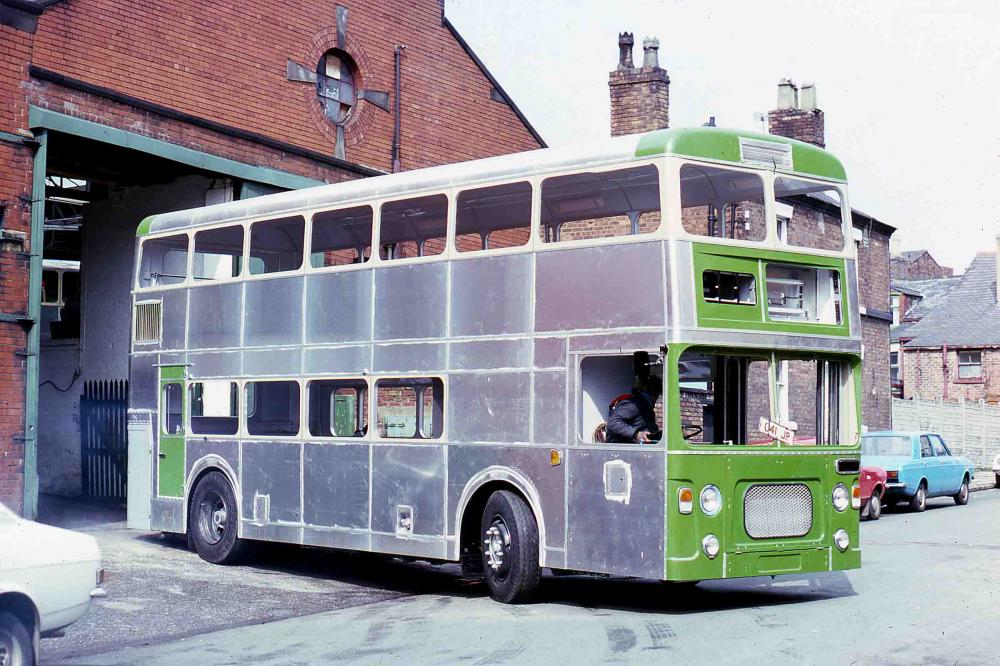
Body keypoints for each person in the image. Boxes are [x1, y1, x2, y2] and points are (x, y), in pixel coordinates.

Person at [605, 375, 662, 443]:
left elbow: (647, 428)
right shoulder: (633, 405)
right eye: (658, 392)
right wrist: (636, 434)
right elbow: (613, 422)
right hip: (623, 447)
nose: (657, 396)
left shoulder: (647, 407)